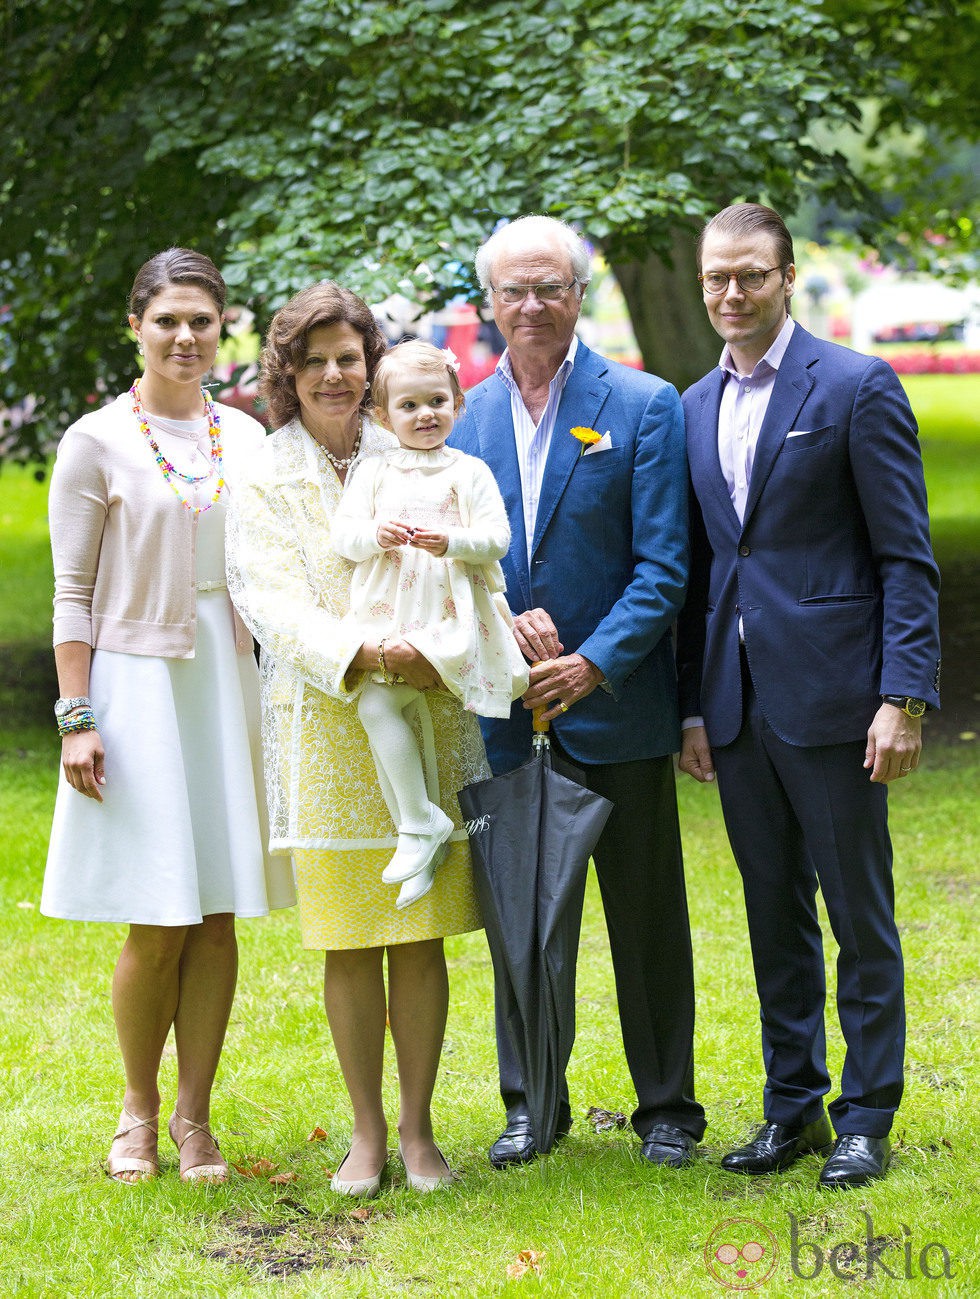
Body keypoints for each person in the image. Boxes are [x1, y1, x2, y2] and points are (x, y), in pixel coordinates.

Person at [676, 203, 941, 1189]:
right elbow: (706, 567)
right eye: (714, 278)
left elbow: (904, 559)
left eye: (748, 275)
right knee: (769, 914)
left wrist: (901, 697)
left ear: (785, 277)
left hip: (835, 701)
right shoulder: (692, 403)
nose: (729, 293)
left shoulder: (855, 386)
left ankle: (864, 1116)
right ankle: (790, 1108)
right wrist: (693, 709)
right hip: (737, 707)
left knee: (855, 915)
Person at [452, 214, 706, 1169]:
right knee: (519, 913)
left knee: (646, 918)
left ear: (578, 294)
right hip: (503, 709)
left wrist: (592, 660)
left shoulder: (642, 405)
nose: (532, 306)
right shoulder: (458, 416)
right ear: (490, 302)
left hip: (616, 706)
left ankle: (670, 1111)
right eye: (514, 290)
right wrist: (500, 631)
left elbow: (665, 566)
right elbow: (448, 565)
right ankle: (532, 1103)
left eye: (550, 288)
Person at [225, 283, 487, 1197]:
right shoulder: (264, 468)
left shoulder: (415, 446)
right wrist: (360, 648)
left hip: (423, 700)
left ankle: (420, 1134)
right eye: (315, 361)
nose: (335, 375)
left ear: (370, 367)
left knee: (420, 936)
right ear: (287, 375)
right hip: (328, 722)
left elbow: (470, 565)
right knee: (348, 939)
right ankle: (366, 1137)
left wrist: (431, 650)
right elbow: (266, 594)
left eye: (350, 358)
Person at [42, 248, 295, 1183]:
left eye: (202, 319)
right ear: (136, 325)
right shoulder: (97, 440)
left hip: (229, 684)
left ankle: (195, 1118)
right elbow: (71, 590)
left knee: (219, 911)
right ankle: (137, 1113)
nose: (186, 336)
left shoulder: (250, 436)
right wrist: (77, 713)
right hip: (138, 685)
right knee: (159, 913)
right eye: (168, 320)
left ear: (221, 327)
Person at [331, 340, 528, 907]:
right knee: (379, 704)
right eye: (409, 406)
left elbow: (497, 538)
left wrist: (453, 542)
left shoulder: (468, 471)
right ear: (382, 416)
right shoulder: (373, 472)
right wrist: (376, 534)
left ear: (458, 404)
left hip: (447, 611)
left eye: (437, 401)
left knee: (398, 699)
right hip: (388, 606)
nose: (425, 415)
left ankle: (420, 829)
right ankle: (419, 827)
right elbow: (344, 537)